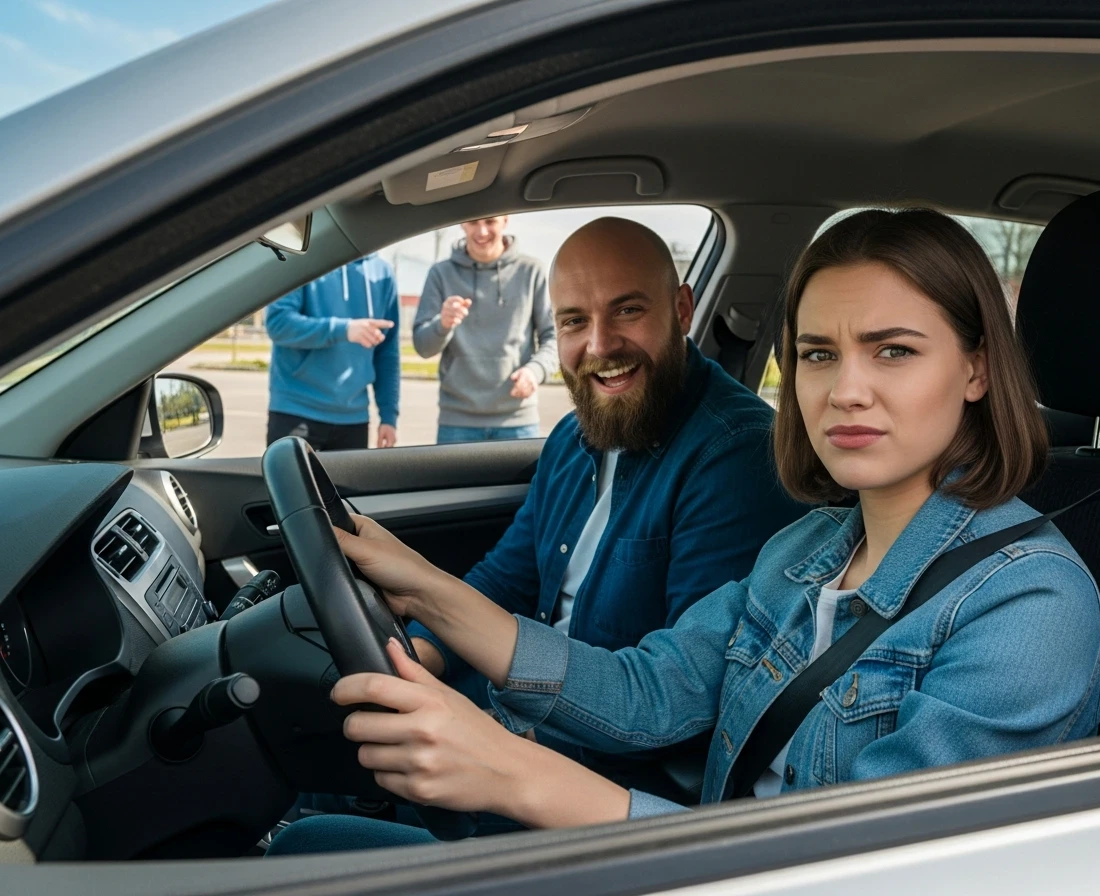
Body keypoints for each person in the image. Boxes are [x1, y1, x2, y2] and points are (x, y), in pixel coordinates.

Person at [268, 208, 1100, 854]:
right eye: (817, 354)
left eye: (892, 351)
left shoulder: (1029, 606)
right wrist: (424, 587)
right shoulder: (805, 553)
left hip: (707, 866)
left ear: (975, 369)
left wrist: (515, 773)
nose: (845, 390)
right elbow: (644, 690)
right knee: (306, 845)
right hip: (681, 856)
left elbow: (855, 870)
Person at [294, 216, 807, 830]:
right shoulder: (575, 433)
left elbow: (677, 704)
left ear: (682, 309)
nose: (599, 345)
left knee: (310, 833)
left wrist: (503, 748)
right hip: (516, 709)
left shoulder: (734, 454)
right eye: (573, 322)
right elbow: (507, 579)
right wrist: (423, 654)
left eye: (627, 312)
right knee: (314, 740)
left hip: (598, 775)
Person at [413, 216, 558, 443]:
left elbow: (554, 337)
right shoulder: (440, 274)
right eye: (473, 223)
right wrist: (443, 324)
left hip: (518, 421)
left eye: (490, 222)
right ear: (462, 223)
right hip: (457, 423)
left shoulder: (532, 271)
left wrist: (535, 370)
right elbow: (422, 347)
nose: (481, 232)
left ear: (505, 221)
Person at [265, 254, 400, 450]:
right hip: (296, 410)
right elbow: (278, 323)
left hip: (354, 420)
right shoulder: (302, 259)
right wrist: (343, 330)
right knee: (288, 482)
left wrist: (389, 416)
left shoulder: (383, 273)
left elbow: (388, 354)